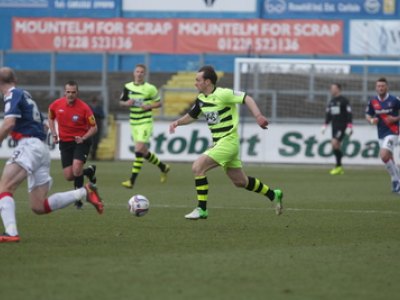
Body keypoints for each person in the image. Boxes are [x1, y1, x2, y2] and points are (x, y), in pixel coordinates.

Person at [0, 67, 104, 243]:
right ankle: (82, 193)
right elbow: (45, 123)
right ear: (15, 79)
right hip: (40, 149)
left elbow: (9, 123)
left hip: (30, 146)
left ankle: (11, 233)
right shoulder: (25, 95)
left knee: (5, 188)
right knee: (38, 206)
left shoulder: (12, 94)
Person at [169, 65, 283, 220]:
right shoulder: (201, 99)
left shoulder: (224, 94)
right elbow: (191, 116)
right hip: (220, 143)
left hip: (228, 141)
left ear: (207, 82)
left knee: (198, 167)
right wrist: (177, 122)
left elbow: (246, 98)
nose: (195, 83)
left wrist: (258, 116)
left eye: (198, 80)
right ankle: (273, 194)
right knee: (240, 182)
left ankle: (202, 209)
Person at [48, 80, 98, 209]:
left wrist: (84, 137)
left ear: (77, 93)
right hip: (65, 143)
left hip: (81, 141)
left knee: (76, 168)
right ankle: (89, 171)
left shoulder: (84, 108)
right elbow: (50, 117)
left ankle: (78, 199)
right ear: (64, 92)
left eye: (73, 92)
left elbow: (94, 128)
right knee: (69, 176)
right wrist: (54, 133)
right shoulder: (56, 105)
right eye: (68, 92)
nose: (70, 95)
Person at [119, 64, 170, 189]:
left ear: (144, 74)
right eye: (137, 71)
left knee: (139, 148)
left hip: (145, 121)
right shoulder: (128, 87)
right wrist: (127, 103)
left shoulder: (150, 88)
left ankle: (132, 181)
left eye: (142, 72)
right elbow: (121, 101)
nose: (139, 74)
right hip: (134, 122)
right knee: (142, 151)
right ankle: (163, 167)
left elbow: (159, 103)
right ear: (134, 73)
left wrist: (148, 106)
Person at [366, 77, 400, 193]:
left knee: (384, 155)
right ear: (376, 88)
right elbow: (368, 115)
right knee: (390, 158)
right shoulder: (373, 101)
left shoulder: (395, 100)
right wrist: (371, 121)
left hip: (393, 131)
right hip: (381, 133)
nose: (380, 88)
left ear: (387, 87)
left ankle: (397, 180)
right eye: (378, 86)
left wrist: (395, 118)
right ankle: (396, 180)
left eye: (383, 86)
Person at [321, 83, 353, 175]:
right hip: (334, 126)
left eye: (333, 88)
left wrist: (350, 126)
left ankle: (338, 165)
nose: (331, 90)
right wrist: (325, 125)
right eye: (331, 88)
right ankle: (339, 167)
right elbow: (329, 115)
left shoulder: (344, 101)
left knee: (334, 143)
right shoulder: (331, 101)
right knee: (336, 146)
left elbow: (349, 114)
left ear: (339, 89)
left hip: (342, 126)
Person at [88, 96, 105, 161]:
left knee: (96, 141)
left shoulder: (99, 108)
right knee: (90, 141)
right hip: (90, 127)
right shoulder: (89, 108)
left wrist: (96, 114)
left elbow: (103, 115)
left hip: (97, 126)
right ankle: (89, 154)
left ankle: (94, 155)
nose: (94, 103)